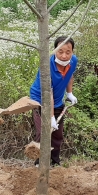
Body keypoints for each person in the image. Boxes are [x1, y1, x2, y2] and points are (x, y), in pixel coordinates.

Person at [29, 36, 78, 167]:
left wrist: (69, 93)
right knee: (44, 133)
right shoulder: (47, 68)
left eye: (68, 52)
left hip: (57, 101)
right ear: (55, 50)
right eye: (60, 51)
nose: (64, 56)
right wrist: (50, 117)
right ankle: (39, 163)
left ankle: (55, 162)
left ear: (72, 52)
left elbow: (70, 75)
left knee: (57, 135)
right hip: (40, 100)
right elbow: (47, 94)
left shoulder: (73, 61)